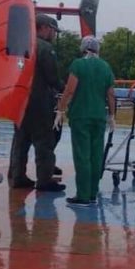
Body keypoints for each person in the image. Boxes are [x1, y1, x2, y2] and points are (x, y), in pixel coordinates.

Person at [8, 14, 66, 192]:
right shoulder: (45, 48)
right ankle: (44, 179)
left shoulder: (19, 45)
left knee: (20, 140)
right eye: (53, 31)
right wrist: (66, 90)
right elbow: (52, 77)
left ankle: (17, 176)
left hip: (19, 99)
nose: (54, 35)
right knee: (44, 142)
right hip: (39, 102)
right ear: (44, 28)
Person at [55, 35, 116, 206]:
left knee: (82, 156)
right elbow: (111, 94)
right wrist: (112, 115)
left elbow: (70, 90)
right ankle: (92, 193)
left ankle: (82, 195)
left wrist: (60, 109)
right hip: (99, 116)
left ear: (83, 48)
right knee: (96, 155)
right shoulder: (105, 67)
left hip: (81, 116)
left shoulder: (78, 65)